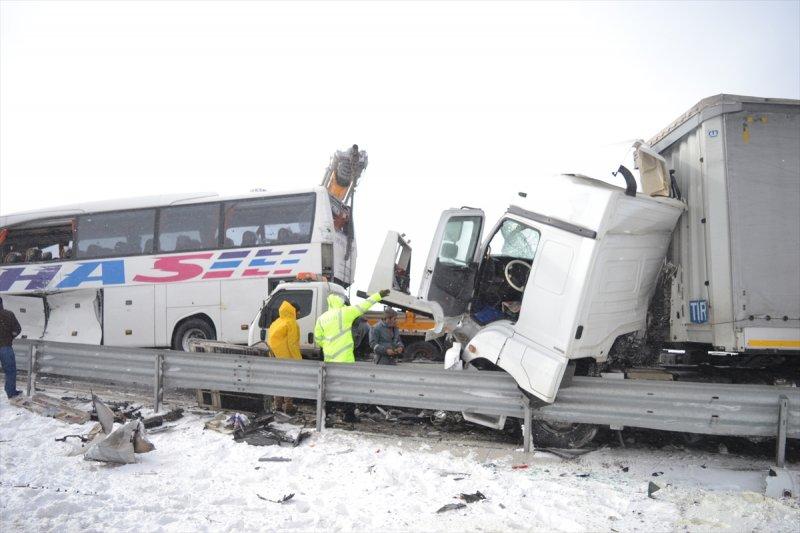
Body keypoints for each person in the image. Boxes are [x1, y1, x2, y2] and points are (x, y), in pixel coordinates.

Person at [314, 289, 389, 422]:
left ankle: (326, 415)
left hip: (329, 359)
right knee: (348, 388)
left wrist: (328, 345)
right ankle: (348, 415)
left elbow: (318, 338)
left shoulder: (322, 318)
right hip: (345, 359)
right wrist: (378, 295)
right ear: (341, 301)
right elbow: (364, 305)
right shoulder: (346, 312)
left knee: (329, 388)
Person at [267, 300, 302, 415]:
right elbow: (292, 344)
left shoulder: (276, 322)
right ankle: (288, 407)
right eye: (298, 312)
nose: (299, 314)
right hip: (286, 358)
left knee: (278, 381)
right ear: (294, 311)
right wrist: (299, 360)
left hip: (274, 357)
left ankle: (277, 406)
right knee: (288, 382)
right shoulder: (291, 323)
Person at [0, 297, 23, 399]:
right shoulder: (9, 314)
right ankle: (11, 392)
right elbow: (18, 329)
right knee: (10, 371)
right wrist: (11, 336)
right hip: (6, 347)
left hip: (5, 346)